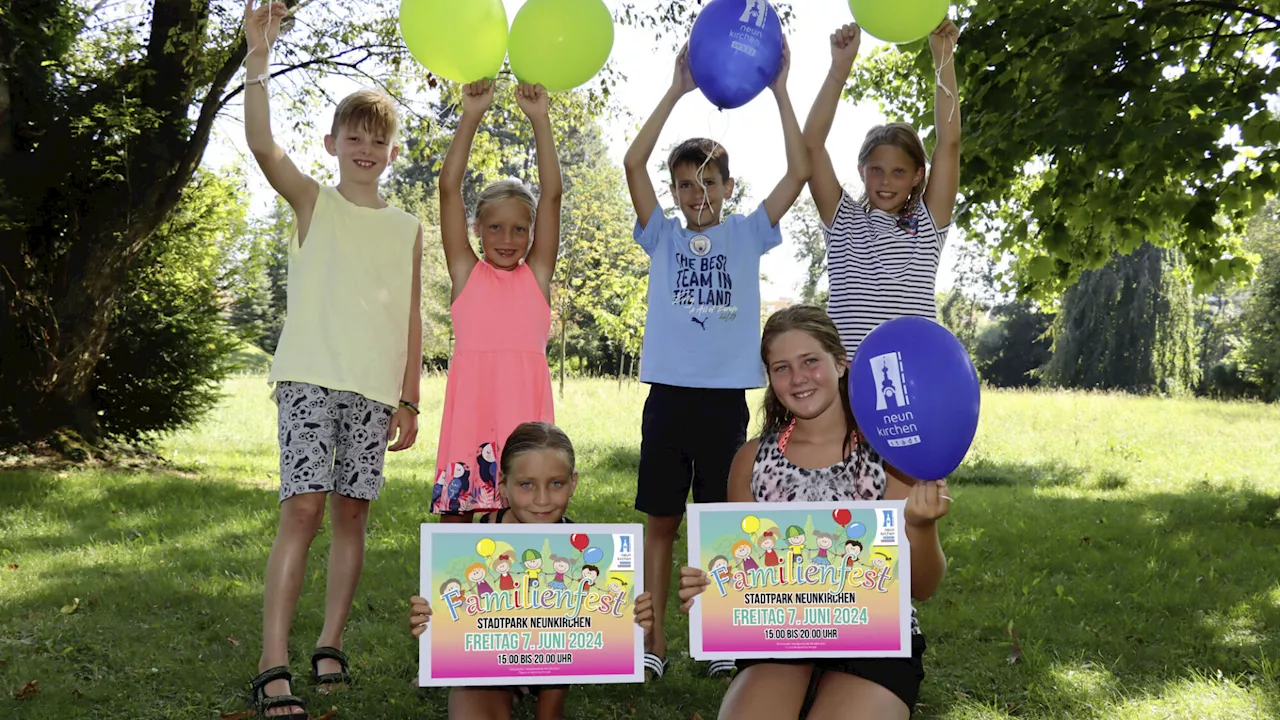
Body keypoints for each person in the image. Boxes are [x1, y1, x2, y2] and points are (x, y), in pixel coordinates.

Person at [242, 3, 424, 717]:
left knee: (352, 515)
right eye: (354, 137)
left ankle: (329, 642)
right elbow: (261, 147)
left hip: (374, 390)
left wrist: (408, 398)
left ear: (392, 152)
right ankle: (273, 656)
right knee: (304, 509)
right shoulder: (312, 200)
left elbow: (410, 315)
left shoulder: (408, 228)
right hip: (310, 376)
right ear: (332, 142)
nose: (365, 149)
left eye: (377, 140)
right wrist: (259, 61)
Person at [621, 35, 810, 680]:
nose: (696, 194)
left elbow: (800, 172)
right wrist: (676, 88)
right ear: (673, 191)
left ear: (729, 186)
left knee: (720, 522)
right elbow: (631, 160)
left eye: (708, 182)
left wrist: (781, 88)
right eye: (684, 185)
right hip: (669, 397)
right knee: (663, 522)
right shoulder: (663, 236)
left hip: (726, 400)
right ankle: (654, 642)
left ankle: (721, 637)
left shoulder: (747, 233)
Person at [678, 306, 951, 719]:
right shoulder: (751, 460)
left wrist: (920, 525)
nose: (798, 378)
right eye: (781, 367)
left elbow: (924, 587)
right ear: (769, 378)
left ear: (841, 363)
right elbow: (740, 571)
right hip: (776, 639)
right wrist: (708, 588)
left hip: (877, 641)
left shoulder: (890, 456)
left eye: (810, 361)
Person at [410, 422, 655, 720]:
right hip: (488, 671)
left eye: (556, 484)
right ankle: (510, 692)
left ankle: (540, 700)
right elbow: (456, 617)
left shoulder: (583, 551)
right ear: (503, 485)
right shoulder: (475, 543)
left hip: (555, 669)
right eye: (527, 484)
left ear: (573, 483)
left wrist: (632, 619)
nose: (542, 499)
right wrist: (431, 619)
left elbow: (594, 627)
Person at [430, 79, 561, 523]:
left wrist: (540, 120)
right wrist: (470, 115)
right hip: (471, 417)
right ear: (477, 230)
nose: (508, 239)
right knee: (456, 524)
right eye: (495, 228)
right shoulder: (466, 273)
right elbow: (449, 188)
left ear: (532, 233)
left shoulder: (536, 275)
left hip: (525, 420)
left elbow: (553, 194)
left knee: (526, 522)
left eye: (519, 229)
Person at [803, 20, 962, 356]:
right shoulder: (844, 219)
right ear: (861, 171)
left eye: (898, 172)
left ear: (918, 176)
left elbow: (949, 143)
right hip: (847, 382)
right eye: (876, 170)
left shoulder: (927, 224)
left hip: (913, 377)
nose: (886, 180)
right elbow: (811, 146)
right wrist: (838, 70)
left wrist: (944, 58)